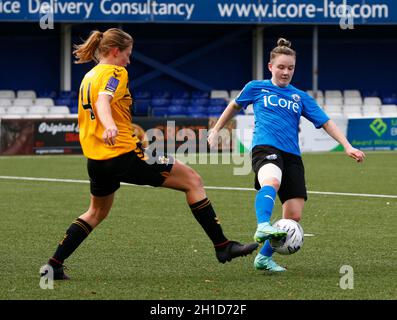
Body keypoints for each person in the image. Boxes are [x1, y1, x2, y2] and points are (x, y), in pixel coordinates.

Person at [41, 28, 258, 280]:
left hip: (97, 160)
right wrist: (110, 125)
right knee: (192, 180)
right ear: (115, 51)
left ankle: (54, 264)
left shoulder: (89, 76)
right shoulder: (115, 71)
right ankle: (223, 246)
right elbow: (103, 101)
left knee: (95, 212)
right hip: (124, 154)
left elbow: (99, 102)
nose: (129, 61)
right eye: (127, 54)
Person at [208, 38, 365, 272]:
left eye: (290, 68)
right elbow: (234, 106)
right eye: (281, 67)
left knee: (293, 216)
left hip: (292, 155)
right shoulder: (256, 87)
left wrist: (347, 145)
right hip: (265, 147)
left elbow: (325, 122)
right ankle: (262, 225)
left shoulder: (300, 97)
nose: (285, 72)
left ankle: (263, 258)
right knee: (271, 180)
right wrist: (216, 129)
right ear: (270, 66)